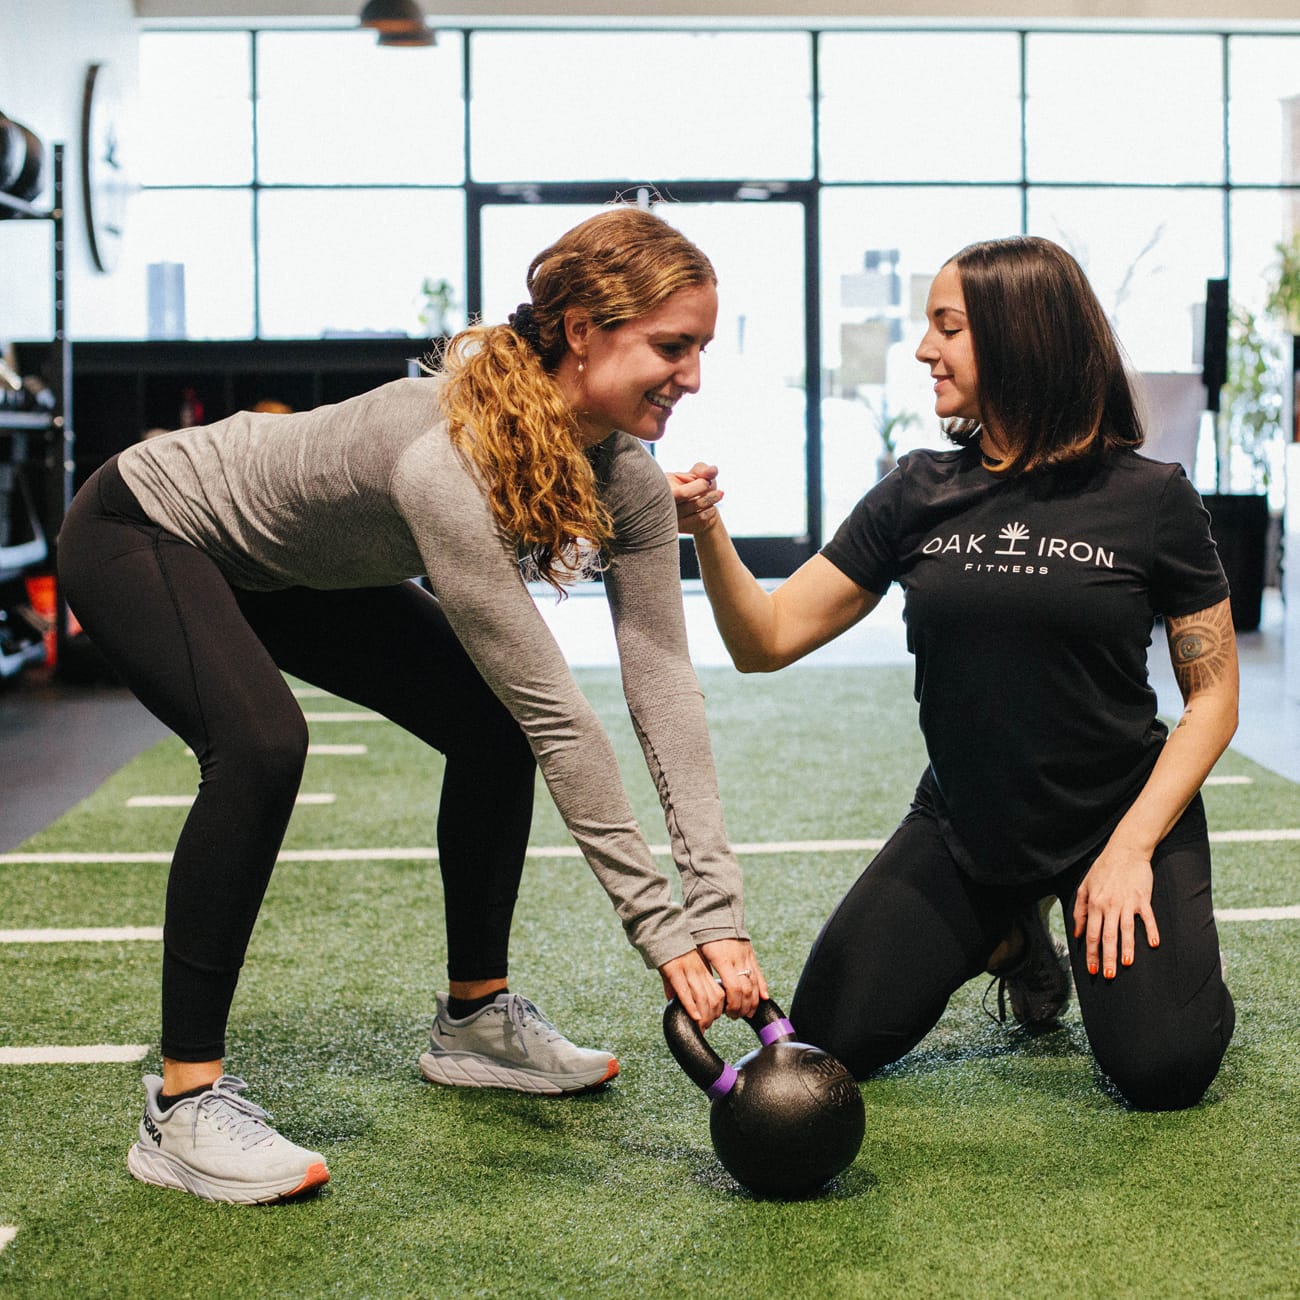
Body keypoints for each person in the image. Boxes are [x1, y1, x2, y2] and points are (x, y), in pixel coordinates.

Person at [58, 205, 767, 1204]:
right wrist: (661, 930)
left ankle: (474, 1019)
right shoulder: (450, 460)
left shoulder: (630, 480)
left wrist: (718, 913)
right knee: (262, 745)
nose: (692, 375)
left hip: (294, 568)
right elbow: (563, 712)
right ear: (580, 329)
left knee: (488, 728)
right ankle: (182, 1107)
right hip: (148, 525)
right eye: (671, 345)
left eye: (699, 347)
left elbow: (664, 688)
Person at [671, 234, 1236, 1112]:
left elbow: (1213, 698)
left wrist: (1131, 850)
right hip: (968, 826)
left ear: (1022, 338)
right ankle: (1012, 939)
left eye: (948, 327)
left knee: (1163, 1069)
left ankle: (1122, 944)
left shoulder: (1153, 498)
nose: (925, 349)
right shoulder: (918, 490)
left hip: (1115, 823)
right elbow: (767, 638)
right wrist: (705, 528)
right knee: (829, 1038)